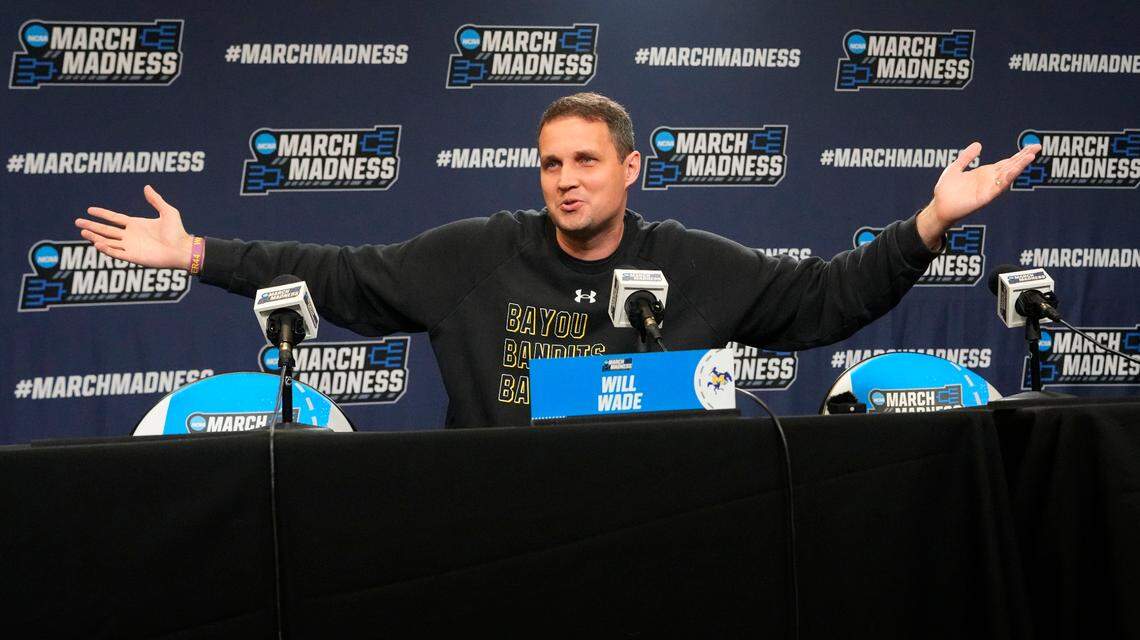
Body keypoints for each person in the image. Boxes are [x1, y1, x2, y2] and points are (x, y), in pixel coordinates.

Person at [77, 93, 1041, 428]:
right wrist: (197, 251)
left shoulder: (696, 264)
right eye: (550, 165)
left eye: (586, 162)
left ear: (630, 166)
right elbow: (336, 273)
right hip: (498, 534)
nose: (566, 182)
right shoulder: (478, 256)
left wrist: (929, 221)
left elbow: (827, 301)